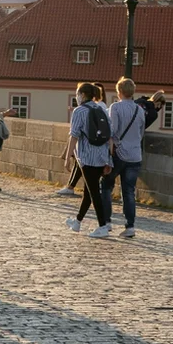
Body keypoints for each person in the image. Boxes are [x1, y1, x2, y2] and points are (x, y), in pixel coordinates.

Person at [65, 82, 113, 238]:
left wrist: (67, 157)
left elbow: (74, 135)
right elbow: (109, 136)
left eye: (78, 94)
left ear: (83, 95)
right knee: (88, 191)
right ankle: (77, 222)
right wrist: (109, 159)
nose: (77, 97)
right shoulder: (102, 109)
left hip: (87, 157)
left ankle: (103, 226)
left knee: (93, 192)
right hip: (101, 156)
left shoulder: (79, 111)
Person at [100, 77, 145, 239]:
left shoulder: (116, 107)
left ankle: (106, 221)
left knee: (105, 185)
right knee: (129, 192)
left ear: (119, 92)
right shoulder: (139, 110)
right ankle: (130, 226)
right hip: (135, 155)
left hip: (119, 153)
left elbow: (113, 131)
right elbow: (141, 133)